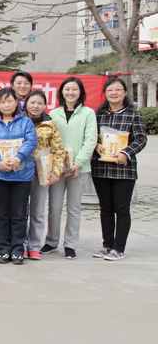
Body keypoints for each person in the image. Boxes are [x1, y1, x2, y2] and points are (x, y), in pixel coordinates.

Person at [91, 77, 148, 261]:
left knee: (122, 209)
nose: (114, 93)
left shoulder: (133, 114)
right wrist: (96, 145)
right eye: (110, 90)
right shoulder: (98, 114)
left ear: (124, 93)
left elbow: (141, 139)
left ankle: (119, 248)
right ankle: (107, 245)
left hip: (124, 170)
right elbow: (91, 136)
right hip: (101, 168)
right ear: (105, 93)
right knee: (105, 209)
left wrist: (126, 152)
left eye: (117, 90)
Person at [45, 77, 98, 259]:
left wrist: (78, 163)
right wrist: (54, 165)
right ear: (62, 92)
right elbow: (49, 140)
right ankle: (51, 241)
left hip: (79, 169)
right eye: (67, 89)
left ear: (80, 92)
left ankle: (70, 244)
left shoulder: (88, 113)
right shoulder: (53, 114)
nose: (70, 92)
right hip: (57, 169)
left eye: (74, 89)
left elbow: (90, 140)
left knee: (74, 208)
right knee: (54, 207)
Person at [0, 87, 38, 265]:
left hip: (22, 175)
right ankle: (3, 248)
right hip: (0, 175)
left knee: (19, 214)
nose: (6, 105)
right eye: (2, 102)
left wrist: (18, 157)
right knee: (1, 213)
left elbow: (31, 141)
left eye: (9, 101)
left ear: (16, 103)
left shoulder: (26, 122)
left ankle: (17, 249)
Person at [23, 90, 66, 260]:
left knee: (38, 211)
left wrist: (56, 172)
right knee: (20, 211)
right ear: (26, 104)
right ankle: (20, 244)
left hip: (42, 173)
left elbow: (58, 150)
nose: (35, 106)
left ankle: (34, 246)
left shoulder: (50, 124)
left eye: (39, 103)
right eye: (32, 102)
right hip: (20, 172)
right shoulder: (18, 120)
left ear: (45, 106)